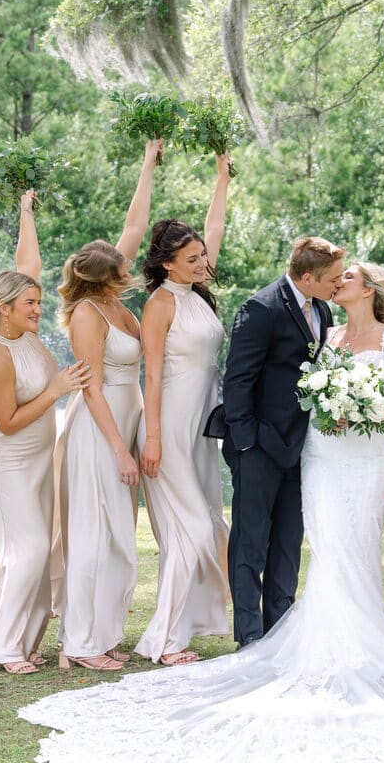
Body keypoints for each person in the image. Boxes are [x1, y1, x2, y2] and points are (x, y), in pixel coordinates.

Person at [18, 261, 384, 762]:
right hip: (321, 453)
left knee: (356, 546)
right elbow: (282, 383)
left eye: (348, 275)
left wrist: (365, 407)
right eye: (336, 273)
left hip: (364, 453)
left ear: (368, 289)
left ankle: (364, 637)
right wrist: (318, 411)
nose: (339, 281)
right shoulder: (326, 331)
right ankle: (288, 633)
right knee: (323, 546)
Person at [0, 190, 90, 674]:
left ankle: (25, 642)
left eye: (37, 301)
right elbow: (5, 422)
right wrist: (57, 391)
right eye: (30, 303)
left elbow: (28, 261)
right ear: (5, 308)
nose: (38, 309)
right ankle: (2, 650)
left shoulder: (25, 336)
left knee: (40, 555)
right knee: (26, 553)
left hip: (38, 460)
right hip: (7, 464)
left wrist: (26, 212)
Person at [52, 140, 161, 671]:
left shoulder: (116, 302)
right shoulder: (88, 316)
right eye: (123, 267)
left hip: (129, 415)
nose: (131, 266)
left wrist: (148, 161)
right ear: (105, 278)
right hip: (99, 428)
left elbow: (134, 227)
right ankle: (81, 642)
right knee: (96, 534)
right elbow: (90, 388)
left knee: (120, 533)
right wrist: (120, 448)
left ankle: (103, 632)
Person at [133, 153, 233, 665]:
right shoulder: (161, 305)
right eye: (192, 258)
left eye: (202, 257)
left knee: (206, 525)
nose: (202, 263)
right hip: (168, 427)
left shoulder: (197, 294)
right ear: (167, 263)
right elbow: (151, 376)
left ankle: (182, 629)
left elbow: (213, 229)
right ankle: (166, 640)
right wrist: (151, 438)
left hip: (202, 431)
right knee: (190, 531)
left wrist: (221, 179)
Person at [222, 235, 345, 647]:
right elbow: (237, 381)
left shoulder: (322, 309)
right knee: (250, 544)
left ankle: (279, 631)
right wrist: (246, 442)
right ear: (307, 277)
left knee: (289, 543)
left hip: (302, 447)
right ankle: (250, 637)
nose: (338, 284)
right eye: (333, 278)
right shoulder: (260, 308)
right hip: (258, 446)